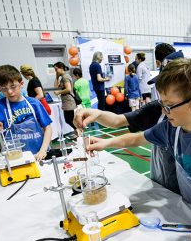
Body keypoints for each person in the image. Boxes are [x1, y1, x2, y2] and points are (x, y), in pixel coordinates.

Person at [86, 58, 191, 241]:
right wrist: (105, 143)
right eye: (162, 104)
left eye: (168, 106)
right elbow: (138, 138)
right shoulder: (171, 127)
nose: (164, 111)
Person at [74, 44, 182, 196]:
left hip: (187, 194)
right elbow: (120, 123)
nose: (162, 92)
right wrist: (96, 114)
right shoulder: (158, 109)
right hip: (161, 185)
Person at [0, 65, 52, 161]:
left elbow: (48, 128)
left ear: (21, 84)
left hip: (39, 153)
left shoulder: (33, 103)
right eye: (4, 88)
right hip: (15, 157)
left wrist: (43, 150)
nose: (9, 92)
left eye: (13, 87)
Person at [52, 62, 77, 131]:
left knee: (69, 120)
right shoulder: (63, 77)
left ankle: (78, 131)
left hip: (69, 101)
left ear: (61, 68)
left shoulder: (65, 76)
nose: (56, 71)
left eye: (56, 69)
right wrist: (57, 77)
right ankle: (77, 132)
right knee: (69, 120)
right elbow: (56, 87)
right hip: (66, 102)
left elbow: (68, 89)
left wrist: (59, 92)